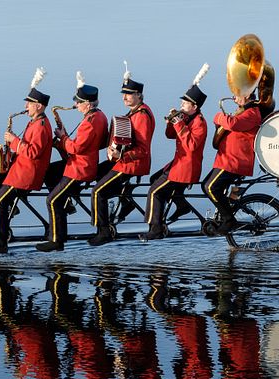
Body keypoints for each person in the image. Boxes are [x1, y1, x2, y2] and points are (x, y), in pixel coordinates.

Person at [0, 68, 53, 254]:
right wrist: (9, 153)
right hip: (20, 169)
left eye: (29, 103)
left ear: (39, 106)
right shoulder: (34, 122)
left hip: (25, 174)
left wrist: (14, 141)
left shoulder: (41, 126)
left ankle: (0, 242)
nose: (26, 106)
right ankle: (6, 218)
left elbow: (33, 152)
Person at [35, 71, 107, 252]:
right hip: (81, 163)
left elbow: (76, 148)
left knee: (52, 200)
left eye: (78, 102)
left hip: (80, 169)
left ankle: (56, 240)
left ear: (87, 104)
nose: (75, 105)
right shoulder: (98, 116)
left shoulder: (90, 122)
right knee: (51, 174)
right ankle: (63, 218)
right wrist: (65, 139)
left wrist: (63, 137)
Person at [88, 62, 155, 246]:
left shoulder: (141, 115)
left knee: (98, 191)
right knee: (94, 173)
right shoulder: (134, 112)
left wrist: (120, 156)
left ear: (139, 95)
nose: (125, 97)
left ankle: (103, 231)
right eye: (124, 94)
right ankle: (124, 198)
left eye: (128, 94)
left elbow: (143, 150)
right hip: (124, 161)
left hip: (131, 164)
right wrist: (112, 149)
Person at [142, 64, 209, 240]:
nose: (181, 104)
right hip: (178, 165)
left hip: (186, 169)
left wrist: (179, 123)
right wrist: (172, 121)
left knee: (155, 192)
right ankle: (180, 204)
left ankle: (155, 228)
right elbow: (169, 136)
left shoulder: (200, 123)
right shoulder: (186, 118)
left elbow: (192, 145)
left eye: (184, 103)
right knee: (153, 179)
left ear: (194, 106)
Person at [202, 91, 262, 235]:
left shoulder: (252, 112)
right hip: (226, 160)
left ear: (247, 96)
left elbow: (232, 124)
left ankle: (229, 220)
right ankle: (225, 214)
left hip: (235, 161)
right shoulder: (243, 111)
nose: (234, 98)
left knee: (211, 187)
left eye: (237, 95)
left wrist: (218, 117)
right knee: (206, 186)